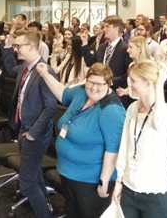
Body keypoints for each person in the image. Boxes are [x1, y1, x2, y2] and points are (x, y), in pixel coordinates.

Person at [36, 62, 125, 218]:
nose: (94, 87)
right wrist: (45, 74)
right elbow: (63, 93)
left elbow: (114, 150)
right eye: (90, 82)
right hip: (69, 172)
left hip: (90, 180)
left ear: (108, 84)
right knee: (73, 213)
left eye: (99, 84)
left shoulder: (111, 109)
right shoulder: (82, 92)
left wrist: (104, 183)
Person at [2, 29, 58, 217]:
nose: (16, 49)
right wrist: (8, 47)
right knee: (34, 178)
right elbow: (8, 70)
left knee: (26, 184)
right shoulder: (25, 68)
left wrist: (33, 132)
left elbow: (51, 108)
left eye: (18, 46)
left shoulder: (45, 70)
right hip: (23, 129)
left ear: (31, 46)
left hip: (35, 134)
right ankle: (47, 209)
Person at [112, 60, 167, 217]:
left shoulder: (166, 112)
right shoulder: (133, 108)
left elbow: (158, 122)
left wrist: (159, 84)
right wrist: (119, 181)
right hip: (129, 188)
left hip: (155, 195)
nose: (130, 84)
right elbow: (125, 145)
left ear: (147, 83)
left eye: (133, 80)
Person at [81, 15, 132, 108]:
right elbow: (91, 63)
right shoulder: (102, 47)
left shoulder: (125, 49)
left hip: (116, 95)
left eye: (107, 26)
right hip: (99, 93)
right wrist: (84, 43)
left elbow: (128, 73)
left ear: (116, 28)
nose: (104, 29)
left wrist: (111, 81)